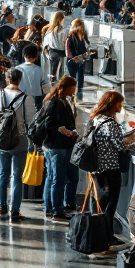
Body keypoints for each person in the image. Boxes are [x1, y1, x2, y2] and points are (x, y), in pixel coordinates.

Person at [88, 91, 135, 237]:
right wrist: (133, 141)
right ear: (113, 104)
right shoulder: (111, 124)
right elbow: (119, 146)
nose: (121, 106)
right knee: (110, 203)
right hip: (110, 167)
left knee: (101, 201)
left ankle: (100, 233)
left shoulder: (97, 118)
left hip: (99, 166)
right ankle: (107, 235)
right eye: (120, 103)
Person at [0, 68, 34, 222]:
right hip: (19, 139)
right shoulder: (26, 98)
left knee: (3, 174)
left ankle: (1, 207)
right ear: (20, 80)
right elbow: (30, 120)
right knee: (16, 177)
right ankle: (14, 211)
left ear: (8, 79)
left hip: (1, 138)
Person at [39, 75, 80, 222]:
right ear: (65, 88)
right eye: (72, 87)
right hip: (57, 145)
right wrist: (64, 130)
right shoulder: (55, 103)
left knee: (52, 177)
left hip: (57, 144)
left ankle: (50, 208)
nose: (74, 90)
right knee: (57, 178)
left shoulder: (60, 101)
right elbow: (49, 125)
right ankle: (57, 210)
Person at [64, 18, 91, 101]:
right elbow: (71, 49)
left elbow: (83, 47)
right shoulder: (71, 36)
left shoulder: (82, 36)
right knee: (73, 78)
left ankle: (79, 96)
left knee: (81, 78)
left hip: (81, 59)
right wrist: (75, 57)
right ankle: (71, 95)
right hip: (73, 60)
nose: (83, 28)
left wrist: (86, 53)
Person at [17, 44, 51, 108]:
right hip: (37, 97)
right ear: (36, 57)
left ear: (24, 55)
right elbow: (46, 84)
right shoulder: (40, 70)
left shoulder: (17, 69)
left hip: (21, 97)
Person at [41, 10, 67, 81]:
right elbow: (63, 44)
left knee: (52, 73)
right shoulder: (61, 31)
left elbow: (45, 44)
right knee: (59, 75)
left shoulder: (48, 30)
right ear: (60, 19)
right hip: (60, 53)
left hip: (50, 53)